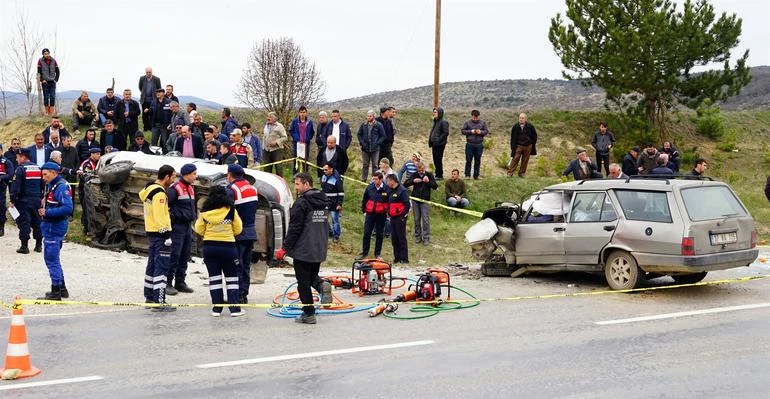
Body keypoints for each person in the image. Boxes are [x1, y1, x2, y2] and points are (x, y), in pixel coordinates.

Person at [276, 173, 332, 324]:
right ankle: (322, 285)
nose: (296, 187)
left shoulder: (302, 203)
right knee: (312, 277)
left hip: (303, 250)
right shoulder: (324, 201)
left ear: (307, 184)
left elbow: (295, 228)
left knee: (303, 283)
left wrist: (284, 248)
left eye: (298, 184)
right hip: (319, 248)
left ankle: (308, 314)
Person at [194, 186, 244, 317]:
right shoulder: (231, 211)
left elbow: (198, 229)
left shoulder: (204, 213)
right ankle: (234, 309)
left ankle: (216, 309)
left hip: (210, 248)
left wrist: (209, 234)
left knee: (214, 278)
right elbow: (238, 229)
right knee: (232, 278)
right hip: (228, 248)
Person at [139, 165, 176, 312]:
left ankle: (149, 296)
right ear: (166, 177)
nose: (173, 180)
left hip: (151, 231)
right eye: (173, 177)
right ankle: (159, 301)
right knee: (162, 267)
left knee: (152, 266)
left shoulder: (149, 189)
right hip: (160, 234)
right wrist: (166, 234)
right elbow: (160, 215)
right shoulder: (160, 194)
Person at [37, 162, 74, 300]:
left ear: (54, 173)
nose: (43, 177)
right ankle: (62, 289)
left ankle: (56, 292)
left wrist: (47, 212)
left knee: (51, 259)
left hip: (54, 226)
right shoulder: (52, 185)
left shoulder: (60, 187)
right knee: (54, 259)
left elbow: (68, 208)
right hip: (50, 226)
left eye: (45, 174)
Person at [225, 164, 259, 304]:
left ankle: (236, 296)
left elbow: (227, 211)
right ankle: (244, 294)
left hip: (237, 233)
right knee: (245, 265)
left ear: (230, 175)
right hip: (250, 232)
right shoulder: (253, 188)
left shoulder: (231, 189)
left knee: (235, 265)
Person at [165, 163, 198, 296]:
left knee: (185, 254)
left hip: (187, 226)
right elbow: (166, 207)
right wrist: (174, 218)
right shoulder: (175, 188)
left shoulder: (190, 188)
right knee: (174, 254)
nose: (196, 176)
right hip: (177, 226)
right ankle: (167, 282)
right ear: (187, 174)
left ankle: (180, 281)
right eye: (194, 174)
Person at [10, 148, 43, 254]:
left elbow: (16, 186)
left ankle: (24, 246)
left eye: (18, 157)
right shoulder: (38, 168)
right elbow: (42, 184)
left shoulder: (20, 169)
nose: (16, 159)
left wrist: (13, 199)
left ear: (23, 157)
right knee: (37, 222)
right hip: (37, 199)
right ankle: (38, 245)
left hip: (24, 200)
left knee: (25, 222)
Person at [404, 162, 438, 245]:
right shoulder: (415, 174)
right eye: (419, 171)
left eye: (422, 170)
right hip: (415, 200)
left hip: (425, 201)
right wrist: (413, 181)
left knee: (425, 220)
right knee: (416, 219)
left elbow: (435, 186)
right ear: (417, 170)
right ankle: (418, 237)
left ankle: (426, 238)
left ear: (424, 168)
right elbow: (405, 184)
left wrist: (428, 181)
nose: (421, 172)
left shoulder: (429, 175)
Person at [359, 171, 388, 259]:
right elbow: (365, 200)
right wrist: (364, 211)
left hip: (381, 215)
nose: (374, 181)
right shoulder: (369, 188)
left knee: (379, 234)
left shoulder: (386, 189)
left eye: (376, 179)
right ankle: (364, 253)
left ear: (381, 179)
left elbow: (389, 201)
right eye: (373, 179)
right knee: (367, 233)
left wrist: (387, 212)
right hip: (370, 214)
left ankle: (377, 254)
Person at [386, 174, 410, 264]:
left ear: (392, 180)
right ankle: (397, 258)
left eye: (388, 181)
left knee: (401, 238)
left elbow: (407, 204)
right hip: (392, 217)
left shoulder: (402, 190)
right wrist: (388, 211)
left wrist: (403, 216)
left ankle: (404, 259)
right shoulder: (390, 190)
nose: (387, 183)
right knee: (394, 238)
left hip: (400, 217)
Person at [357, 110, 385, 182]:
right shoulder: (363, 125)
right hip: (365, 148)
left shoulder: (378, 125)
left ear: (374, 117)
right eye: (368, 116)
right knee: (365, 164)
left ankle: (374, 180)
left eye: (370, 116)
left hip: (375, 149)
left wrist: (377, 143)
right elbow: (359, 134)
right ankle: (363, 179)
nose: (368, 117)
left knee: (375, 165)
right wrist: (362, 143)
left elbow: (383, 136)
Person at [78, 148, 101, 235]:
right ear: (92, 154)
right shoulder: (87, 163)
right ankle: (87, 229)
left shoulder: (98, 163)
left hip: (94, 190)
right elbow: (86, 176)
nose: (99, 155)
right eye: (97, 154)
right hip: (85, 190)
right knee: (87, 209)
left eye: (99, 154)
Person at [508, 113, 538, 178]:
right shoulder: (515, 127)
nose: (521, 119)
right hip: (518, 146)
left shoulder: (530, 126)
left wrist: (531, 143)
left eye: (522, 118)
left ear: (525, 119)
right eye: (520, 118)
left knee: (525, 160)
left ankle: (521, 173)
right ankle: (510, 173)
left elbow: (535, 136)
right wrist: (512, 147)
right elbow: (512, 138)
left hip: (528, 146)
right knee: (515, 159)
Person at [461, 109, 488, 180]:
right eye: (474, 117)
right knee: (468, 160)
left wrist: (481, 132)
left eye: (477, 117)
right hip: (470, 144)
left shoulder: (483, 123)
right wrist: (471, 131)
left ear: (479, 116)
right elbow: (463, 131)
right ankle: (467, 175)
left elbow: (486, 131)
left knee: (478, 160)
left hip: (479, 145)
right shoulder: (467, 122)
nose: (475, 119)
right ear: (471, 116)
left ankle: (476, 175)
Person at [321, 162, 344, 243]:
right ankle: (330, 232)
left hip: (334, 203)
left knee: (335, 220)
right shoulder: (323, 176)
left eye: (326, 170)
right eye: (323, 169)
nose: (324, 171)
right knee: (324, 219)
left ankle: (336, 236)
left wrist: (339, 204)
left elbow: (341, 192)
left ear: (331, 169)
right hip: (325, 202)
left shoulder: (337, 179)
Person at [289, 106, 315, 174]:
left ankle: (305, 175)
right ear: (299, 113)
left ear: (306, 113)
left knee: (305, 160)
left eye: (304, 112)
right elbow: (291, 131)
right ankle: (295, 175)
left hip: (306, 144)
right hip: (297, 144)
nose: (302, 114)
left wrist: (308, 138)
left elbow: (312, 132)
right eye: (301, 112)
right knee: (296, 160)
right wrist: (296, 138)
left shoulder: (309, 122)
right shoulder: (295, 121)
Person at [428, 107, 449, 180]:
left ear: (439, 113)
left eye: (435, 112)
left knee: (438, 159)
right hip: (435, 144)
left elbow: (446, 133)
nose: (434, 113)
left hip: (440, 144)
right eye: (433, 112)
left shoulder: (443, 122)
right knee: (435, 159)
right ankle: (437, 174)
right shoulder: (436, 121)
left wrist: (438, 140)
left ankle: (439, 175)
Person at [37, 48, 60, 115]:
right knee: (46, 97)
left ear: (49, 53)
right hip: (45, 82)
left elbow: (57, 71)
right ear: (43, 54)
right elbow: (39, 72)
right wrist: (42, 80)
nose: (46, 55)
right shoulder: (40, 61)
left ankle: (52, 112)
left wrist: (56, 80)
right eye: (45, 54)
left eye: (47, 53)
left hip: (52, 82)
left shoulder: (53, 60)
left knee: (52, 97)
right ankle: (47, 112)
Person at [139, 67, 162, 131]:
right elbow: (140, 87)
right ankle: (145, 127)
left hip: (153, 100)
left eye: (150, 72)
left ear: (152, 72)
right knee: (145, 114)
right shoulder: (142, 78)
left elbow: (159, 88)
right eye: (147, 72)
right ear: (145, 72)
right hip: (144, 100)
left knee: (152, 113)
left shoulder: (157, 79)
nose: (148, 74)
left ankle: (151, 127)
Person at [0, 149, 14, 237]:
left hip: (1, 187)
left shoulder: (6, 162)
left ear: (1, 151)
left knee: (1, 207)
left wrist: (1, 178)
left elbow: (11, 174)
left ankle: (1, 227)